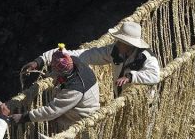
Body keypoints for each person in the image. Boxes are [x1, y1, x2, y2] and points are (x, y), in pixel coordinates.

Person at [21, 21, 160, 96]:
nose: (116, 43)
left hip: (142, 104)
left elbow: (155, 76)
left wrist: (130, 77)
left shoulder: (146, 57)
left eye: (120, 41)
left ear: (129, 44)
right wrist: (40, 61)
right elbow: (80, 55)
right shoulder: (114, 52)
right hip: (120, 99)